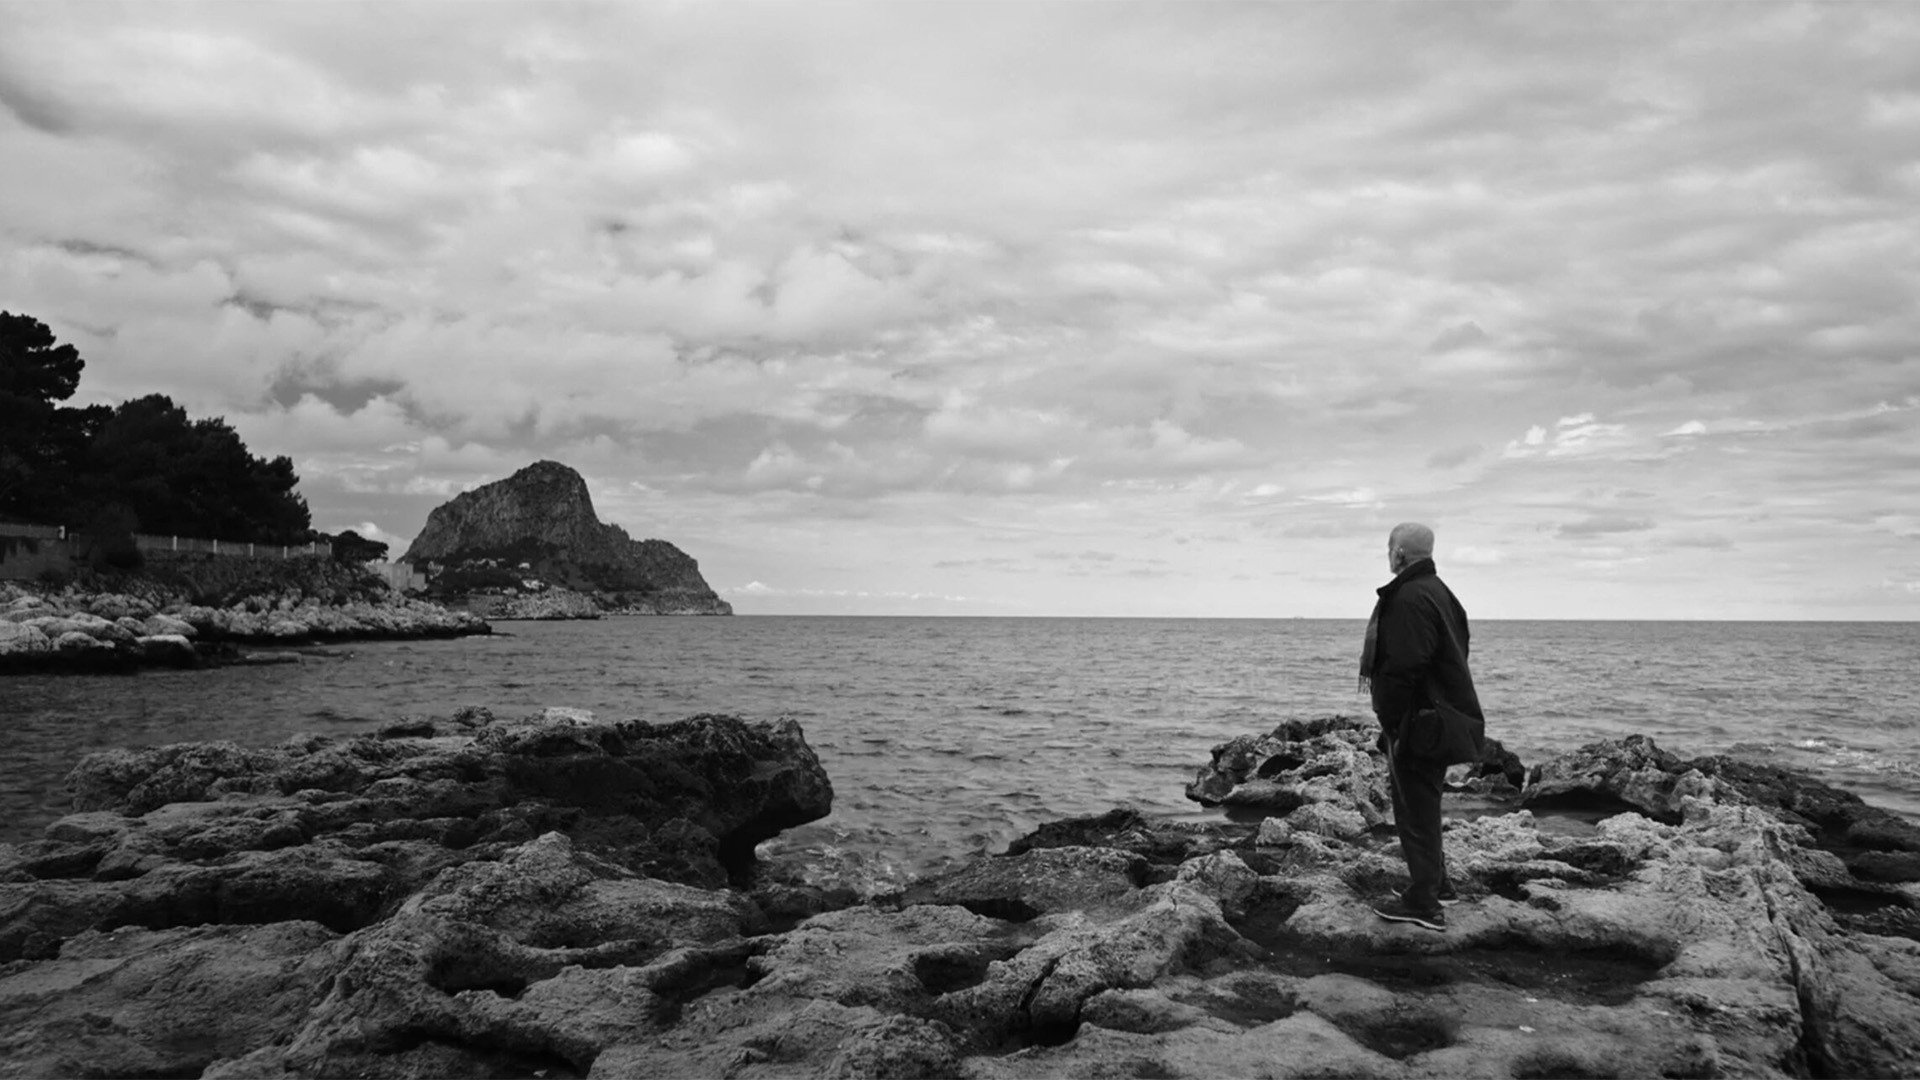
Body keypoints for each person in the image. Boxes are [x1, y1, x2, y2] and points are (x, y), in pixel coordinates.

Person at [1359, 522, 1483, 932]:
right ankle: (1439, 885)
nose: (1387, 553)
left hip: (1420, 721)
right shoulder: (1439, 592)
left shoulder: (1408, 597)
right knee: (1424, 804)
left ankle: (1424, 903)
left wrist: (1393, 720)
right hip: (1440, 715)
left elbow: (1403, 666)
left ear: (1399, 554)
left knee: (1414, 810)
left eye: (1389, 547)